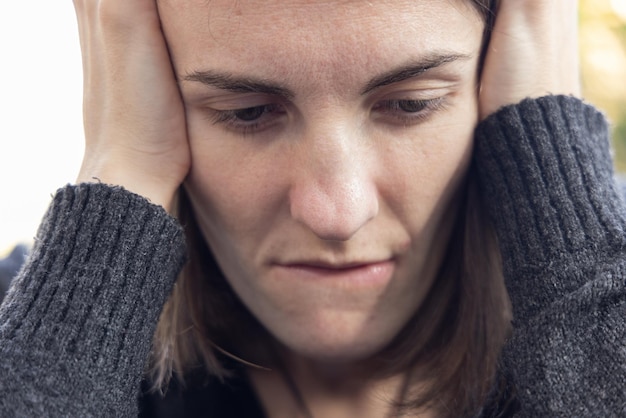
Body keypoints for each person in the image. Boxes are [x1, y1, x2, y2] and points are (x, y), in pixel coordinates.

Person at [0, 0, 624, 416]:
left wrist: (561, 210)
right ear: (139, 93)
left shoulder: (600, 302)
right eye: (246, 111)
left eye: (410, 104)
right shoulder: (37, 340)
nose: (337, 212)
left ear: (506, 73)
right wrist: (123, 179)